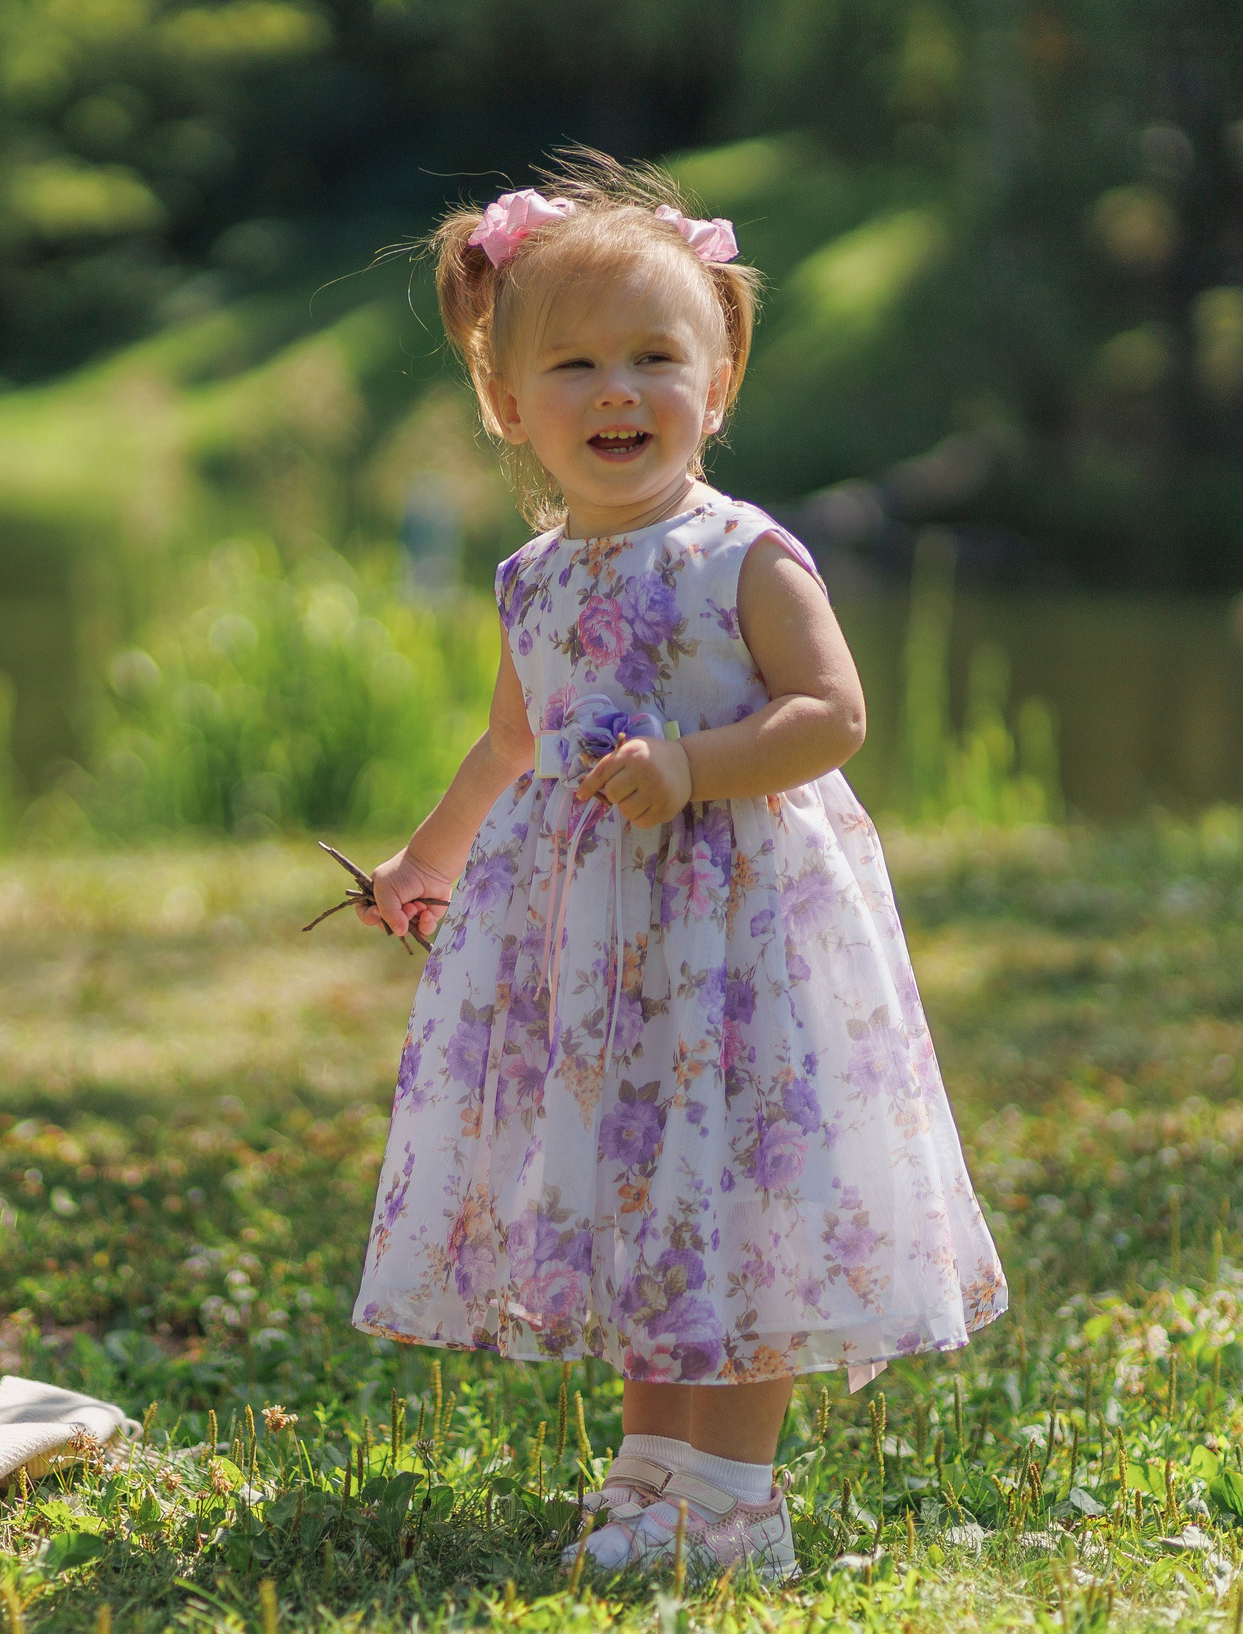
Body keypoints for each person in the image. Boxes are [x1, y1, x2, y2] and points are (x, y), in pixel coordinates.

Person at [349, 150, 1007, 1583]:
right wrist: (428, 854)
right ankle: (657, 1468)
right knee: (651, 1190)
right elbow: (512, 738)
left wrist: (696, 767)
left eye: (657, 358)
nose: (618, 393)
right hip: (605, 952)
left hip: (742, 934)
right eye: (574, 366)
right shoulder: (535, 578)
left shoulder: (742, 556)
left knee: (745, 1194)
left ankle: (736, 1498)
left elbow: (832, 717)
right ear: (508, 404)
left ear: (716, 388)